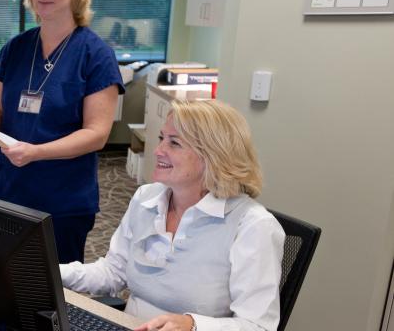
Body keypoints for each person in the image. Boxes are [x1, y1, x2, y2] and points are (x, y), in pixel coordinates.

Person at [60, 100, 285, 331]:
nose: (158, 150)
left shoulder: (253, 226)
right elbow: (113, 272)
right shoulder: (146, 198)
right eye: (161, 138)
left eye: (174, 143)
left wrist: (193, 324)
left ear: (214, 155)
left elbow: (258, 326)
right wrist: (53, 271)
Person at [0, 0, 124, 263]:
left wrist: (37, 152)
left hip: (61, 200)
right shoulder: (15, 49)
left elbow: (96, 134)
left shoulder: (95, 55)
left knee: (51, 297)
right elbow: (0, 114)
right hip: (7, 190)